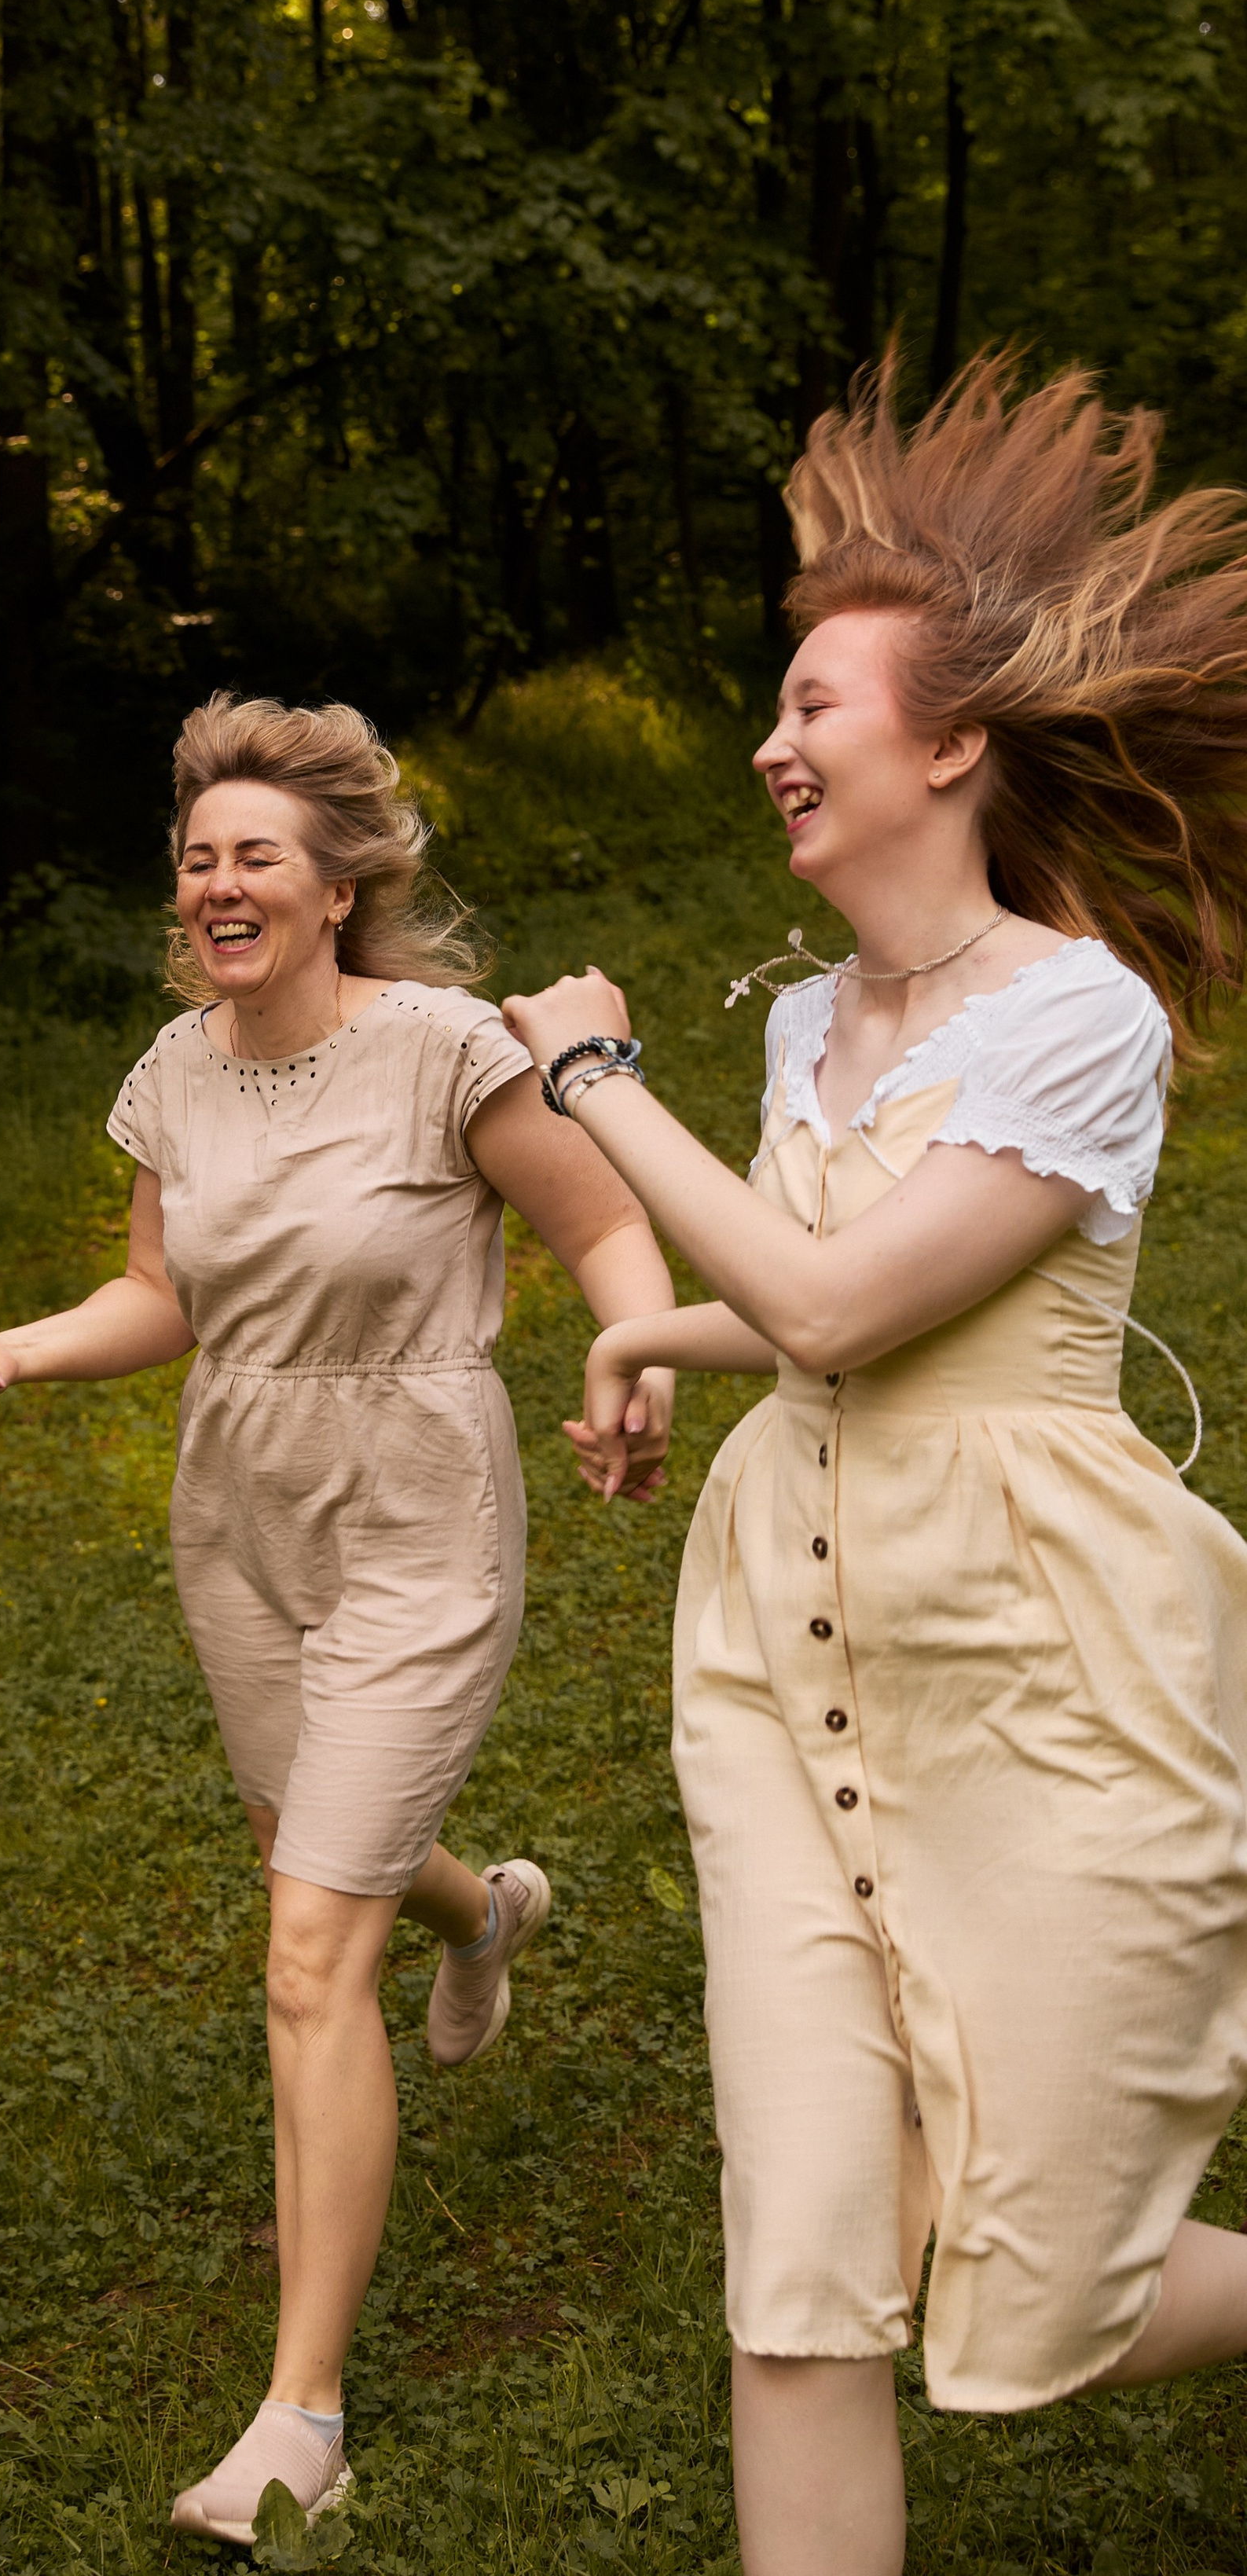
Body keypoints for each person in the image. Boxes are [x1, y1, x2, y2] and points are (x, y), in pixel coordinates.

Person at [501, 354, 1247, 2576]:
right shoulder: (817, 1022)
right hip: (784, 1652)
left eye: (815, 703)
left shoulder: (1084, 1014)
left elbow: (848, 1307)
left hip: (1039, 1664)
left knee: (1054, 2302)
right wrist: (649, 1322)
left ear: (951, 745)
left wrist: (597, 1077)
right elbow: (809, 1299)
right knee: (805, 2264)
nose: (773, 742)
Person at [0, 692, 677, 2544]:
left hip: (416, 1506)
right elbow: (158, 1297)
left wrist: (632, 1347)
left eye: (256, 853)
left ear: (338, 884)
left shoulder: (440, 1049)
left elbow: (600, 1226)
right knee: (306, 1854)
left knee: (297, 1953)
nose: (217, 882)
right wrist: (13, 1348)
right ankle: (485, 1906)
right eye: (196, 859)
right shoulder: (173, 1070)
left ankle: (298, 2420)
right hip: (238, 1507)